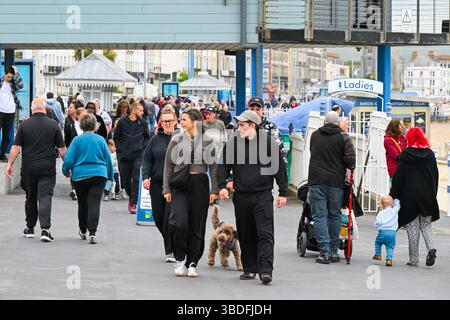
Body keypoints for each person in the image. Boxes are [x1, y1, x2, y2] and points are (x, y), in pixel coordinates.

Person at [218, 110, 287, 285]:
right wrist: (221, 186)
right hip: (241, 196)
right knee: (246, 234)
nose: (239, 128)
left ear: (252, 126)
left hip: (263, 195)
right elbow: (223, 166)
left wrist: (283, 192)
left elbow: (280, 168)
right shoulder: (233, 144)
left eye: (242, 125)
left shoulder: (269, 144)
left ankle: (265, 270)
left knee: (265, 233)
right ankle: (249, 269)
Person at [163, 109, 218, 278]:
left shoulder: (208, 140)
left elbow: (214, 167)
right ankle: (180, 258)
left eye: (184, 119)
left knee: (197, 226)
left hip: (199, 185)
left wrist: (214, 189)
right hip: (179, 185)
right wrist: (166, 189)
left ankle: (192, 262)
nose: (181, 122)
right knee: (179, 223)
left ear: (194, 121)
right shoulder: (176, 139)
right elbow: (168, 167)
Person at [6, 98, 66, 242]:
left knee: (30, 197)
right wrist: (67, 167)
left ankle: (30, 229)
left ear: (32, 109)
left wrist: (9, 164)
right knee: (45, 197)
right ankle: (45, 230)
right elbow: (62, 149)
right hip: (47, 168)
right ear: (45, 108)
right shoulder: (54, 125)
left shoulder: (24, 125)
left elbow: (15, 147)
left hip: (29, 168)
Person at [308, 111, 356, 264]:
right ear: (337, 123)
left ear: (324, 122)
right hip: (336, 182)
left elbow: (312, 152)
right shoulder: (344, 137)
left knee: (319, 216)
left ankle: (324, 252)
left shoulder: (314, 135)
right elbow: (350, 160)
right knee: (334, 215)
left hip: (316, 180)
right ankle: (334, 252)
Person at [390, 127, 439, 267]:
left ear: (409, 139)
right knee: (426, 225)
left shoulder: (405, 155)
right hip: (427, 195)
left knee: (412, 226)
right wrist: (433, 193)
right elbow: (435, 176)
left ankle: (414, 259)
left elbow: (398, 177)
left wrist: (393, 194)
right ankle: (431, 248)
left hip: (409, 196)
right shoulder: (430, 155)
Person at [62, 114, 114, 244]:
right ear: (95, 125)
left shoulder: (77, 140)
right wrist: (110, 178)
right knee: (95, 204)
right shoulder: (101, 140)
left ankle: (83, 229)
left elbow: (68, 159)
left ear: (81, 126)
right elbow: (108, 160)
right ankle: (92, 233)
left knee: (82, 204)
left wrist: (66, 171)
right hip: (99, 175)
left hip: (80, 176)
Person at [142, 108, 179, 263]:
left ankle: (170, 250)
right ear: (161, 123)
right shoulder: (155, 140)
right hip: (157, 183)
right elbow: (147, 160)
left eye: (170, 120)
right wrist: (145, 177)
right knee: (158, 217)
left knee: (168, 218)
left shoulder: (181, 138)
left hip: (174, 184)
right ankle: (173, 243)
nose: (168, 124)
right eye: (165, 121)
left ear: (176, 121)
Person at [114, 102, 150, 214]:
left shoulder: (143, 123)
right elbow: (116, 137)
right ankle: (131, 196)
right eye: (141, 110)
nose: (143, 112)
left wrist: (142, 148)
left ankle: (133, 202)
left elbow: (147, 137)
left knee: (136, 178)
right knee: (125, 180)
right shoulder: (122, 122)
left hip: (138, 155)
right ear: (134, 110)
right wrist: (120, 149)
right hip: (124, 155)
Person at [0, 66, 23, 161]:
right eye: (8, 77)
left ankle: (2, 154)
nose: (10, 79)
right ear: (5, 74)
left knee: (6, 135)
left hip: (10, 112)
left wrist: (17, 74)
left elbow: (21, 85)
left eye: (11, 77)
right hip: (0, 111)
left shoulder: (13, 84)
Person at [373, 196, 400, 267]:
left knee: (378, 242)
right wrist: (396, 198)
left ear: (382, 205)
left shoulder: (381, 213)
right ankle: (389, 260)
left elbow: (378, 222)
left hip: (383, 232)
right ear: (392, 204)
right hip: (392, 233)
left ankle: (378, 255)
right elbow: (398, 204)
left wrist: (377, 226)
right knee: (390, 246)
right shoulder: (395, 210)